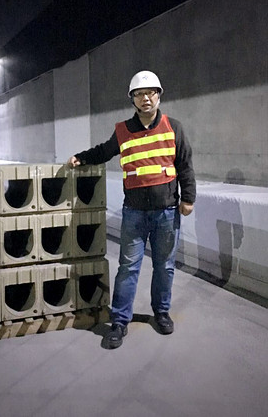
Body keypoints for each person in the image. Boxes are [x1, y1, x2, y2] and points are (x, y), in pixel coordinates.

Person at [67, 70, 196, 349]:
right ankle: (119, 322)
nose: (145, 98)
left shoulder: (174, 127)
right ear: (133, 100)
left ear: (159, 96)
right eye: (139, 94)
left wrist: (188, 199)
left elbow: (184, 165)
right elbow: (104, 151)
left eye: (151, 93)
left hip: (166, 212)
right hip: (134, 213)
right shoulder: (122, 130)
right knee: (128, 268)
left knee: (165, 267)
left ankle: (161, 313)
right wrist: (82, 157)